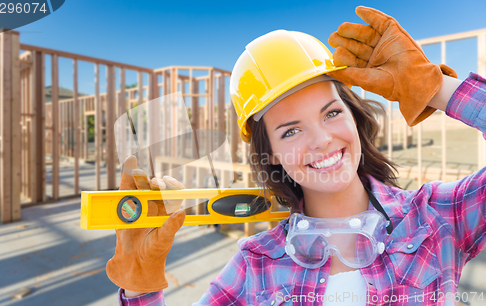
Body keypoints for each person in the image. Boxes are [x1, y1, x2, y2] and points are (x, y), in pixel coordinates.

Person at [107, 6, 486, 305]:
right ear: (269, 153)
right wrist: (141, 290)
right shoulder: (256, 265)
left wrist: (434, 87)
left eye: (331, 113)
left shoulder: (437, 218)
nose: (321, 140)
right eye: (290, 130)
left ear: (354, 117)